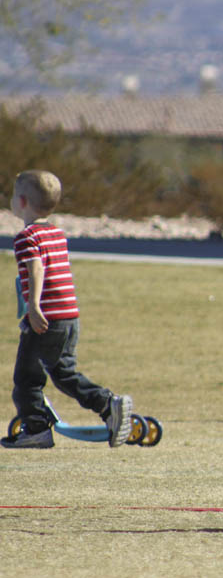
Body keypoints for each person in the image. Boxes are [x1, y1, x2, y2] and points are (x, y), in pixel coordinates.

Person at [3, 170, 134, 449]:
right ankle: (108, 405)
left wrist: (34, 306)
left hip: (45, 319)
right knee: (63, 373)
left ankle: (36, 428)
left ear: (23, 202)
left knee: (27, 379)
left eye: (14, 196)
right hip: (69, 317)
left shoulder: (27, 238)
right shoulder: (56, 234)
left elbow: (36, 269)